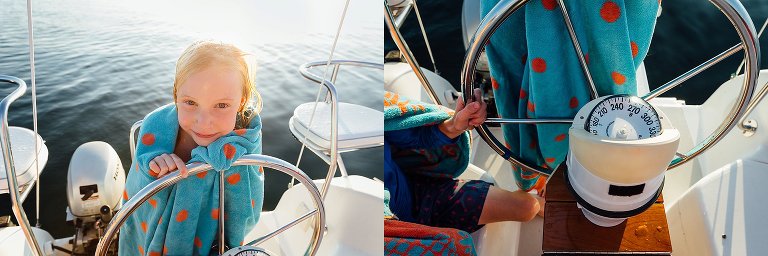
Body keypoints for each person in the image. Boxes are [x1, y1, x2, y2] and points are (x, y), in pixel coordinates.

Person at [120, 40, 264, 256]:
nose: (204, 122)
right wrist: (154, 167)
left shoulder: (244, 144)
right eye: (190, 103)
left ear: (241, 103)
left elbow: (247, 208)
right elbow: (137, 192)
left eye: (222, 105)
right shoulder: (154, 127)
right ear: (176, 95)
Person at [384, 89, 543, 245]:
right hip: (391, 239)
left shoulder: (368, 120)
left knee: (526, 207)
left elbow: (412, 136)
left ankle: (539, 200)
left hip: (421, 195)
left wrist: (454, 126)